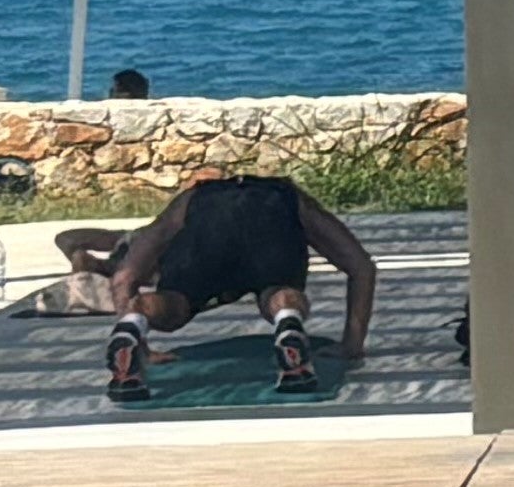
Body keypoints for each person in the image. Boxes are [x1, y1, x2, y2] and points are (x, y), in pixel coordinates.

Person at [53, 169, 378, 401]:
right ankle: (288, 322)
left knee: (174, 304)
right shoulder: (287, 195)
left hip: (205, 234)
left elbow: (126, 276)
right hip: (270, 216)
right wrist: (352, 343)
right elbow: (360, 266)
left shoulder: (192, 199)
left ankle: (135, 324)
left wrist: (144, 348)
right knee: (279, 293)